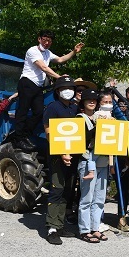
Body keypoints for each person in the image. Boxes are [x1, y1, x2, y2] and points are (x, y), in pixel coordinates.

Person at [14, 29, 84, 151]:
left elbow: (61, 60)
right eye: (45, 40)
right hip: (27, 83)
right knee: (23, 111)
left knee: (39, 112)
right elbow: (44, 67)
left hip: (38, 87)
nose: (47, 43)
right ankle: (17, 138)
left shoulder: (48, 53)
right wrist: (59, 77)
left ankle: (25, 135)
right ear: (39, 39)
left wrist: (74, 51)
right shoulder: (33, 51)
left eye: (49, 41)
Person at [43, 76, 80, 245]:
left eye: (71, 88)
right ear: (57, 91)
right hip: (58, 156)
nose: (69, 91)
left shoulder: (74, 108)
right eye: (65, 88)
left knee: (68, 190)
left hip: (73, 155)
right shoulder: (53, 108)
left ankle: (60, 224)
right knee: (56, 190)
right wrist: (62, 153)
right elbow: (49, 133)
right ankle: (51, 228)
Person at [77, 89, 110, 243]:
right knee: (87, 198)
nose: (92, 101)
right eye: (88, 99)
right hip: (86, 161)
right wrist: (101, 126)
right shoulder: (80, 118)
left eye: (94, 99)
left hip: (102, 161)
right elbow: (82, 138)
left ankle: (95, 228)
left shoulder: (101, 116)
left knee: (99, 198)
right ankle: (84, 230)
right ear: (82, 102)